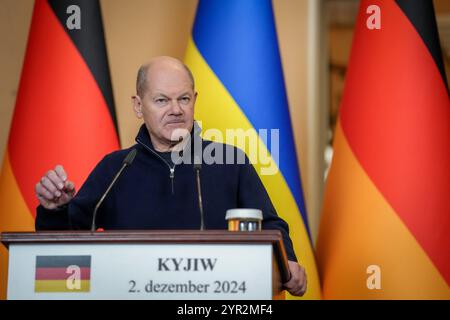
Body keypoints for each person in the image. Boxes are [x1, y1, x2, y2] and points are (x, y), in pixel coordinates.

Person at [34, 56, 307, 296]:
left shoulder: (231, 162)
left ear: (194, 101)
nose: (176, 109)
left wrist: (288, 263)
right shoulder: (115, 168)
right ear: (139, 106)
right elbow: (62, 252)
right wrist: (55, 210)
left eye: (184, 99)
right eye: (162, 100)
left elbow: (271, 226)